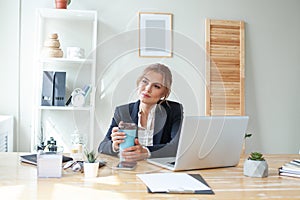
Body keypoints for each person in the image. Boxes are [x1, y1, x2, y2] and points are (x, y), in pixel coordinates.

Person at [98, 63, 184, 162]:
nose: (147, 89)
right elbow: (102, 147)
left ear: (164, 93)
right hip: (131, 168)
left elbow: (177, 146)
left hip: (160, 170)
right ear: (139, 83)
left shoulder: (174, 110)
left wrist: (147, 152)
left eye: (156, 86)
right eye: (145, 82)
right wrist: (115, 145)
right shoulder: (123, 111)